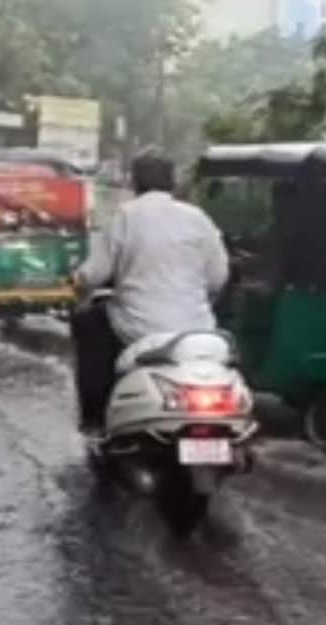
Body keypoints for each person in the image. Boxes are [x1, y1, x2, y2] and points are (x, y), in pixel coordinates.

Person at [70, 147, 230, 435]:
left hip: (138, 329)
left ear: (135, 182)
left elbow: (94, 273)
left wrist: (77, 283)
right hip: (196, 330)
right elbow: (218, 277)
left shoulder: (126, 216)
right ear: (173, 182)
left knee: (88, 324)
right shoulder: (198, 218)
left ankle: (94, 419)